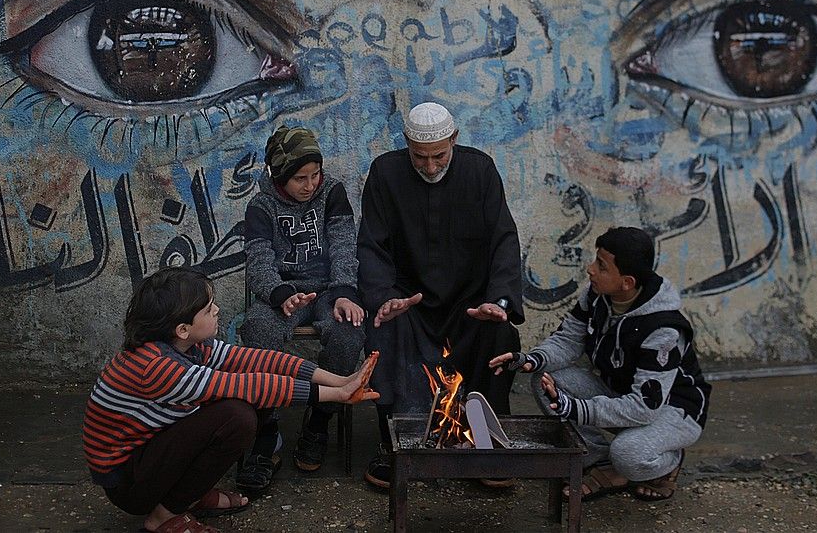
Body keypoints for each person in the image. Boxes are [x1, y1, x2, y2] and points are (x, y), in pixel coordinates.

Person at [83, 267, 377, 533]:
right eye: (209, 309)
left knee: (246, 406)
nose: (217, 310)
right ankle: (163, 516)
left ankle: (191, 495)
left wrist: (341, 380)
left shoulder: (190, 345)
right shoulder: (156, 365)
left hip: (152, 456)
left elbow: (256, 361)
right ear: (182, 329)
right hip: (129, 482)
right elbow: (248, 385)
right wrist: (338, 395)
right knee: (237, 416)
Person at [357, 101, 524, 489]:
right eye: (420, 158)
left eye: (439, 156)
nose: (430, 167)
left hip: (469, 303)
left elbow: (503, 240)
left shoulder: (480, 170)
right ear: (407, 146)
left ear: (454, 140)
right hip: (409, 303)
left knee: (499, 334)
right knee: (385, 331)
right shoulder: (385, 172)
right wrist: (385, 297)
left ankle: (490, 444)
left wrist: (498, 302)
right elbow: (372, 245)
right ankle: (397, 444)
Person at [489, 227, 710, 502]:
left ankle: (667, 461)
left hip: (672, 410)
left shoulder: (662, 330)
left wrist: (576, 409)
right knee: (547, 379)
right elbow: (568, 341)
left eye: (601, 266)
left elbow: (643, 409)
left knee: (628, 453)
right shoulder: (598, 296)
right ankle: (598, 461)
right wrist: (531, 359)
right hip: (622, 393)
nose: (590, 270)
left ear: (627, 282)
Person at [238, 125, 365, 489]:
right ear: (279, 176)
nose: (310, 185)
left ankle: (320, 419)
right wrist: (279, 294)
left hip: (328, 290)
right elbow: (258, 260)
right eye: (299, 178)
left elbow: (343, 246)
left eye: (315, 175)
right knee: (259, 330)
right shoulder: (261, 206)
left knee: (347, 332)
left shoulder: (333, 193)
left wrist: (344, 292)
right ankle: (269, 430)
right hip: (283, 293)